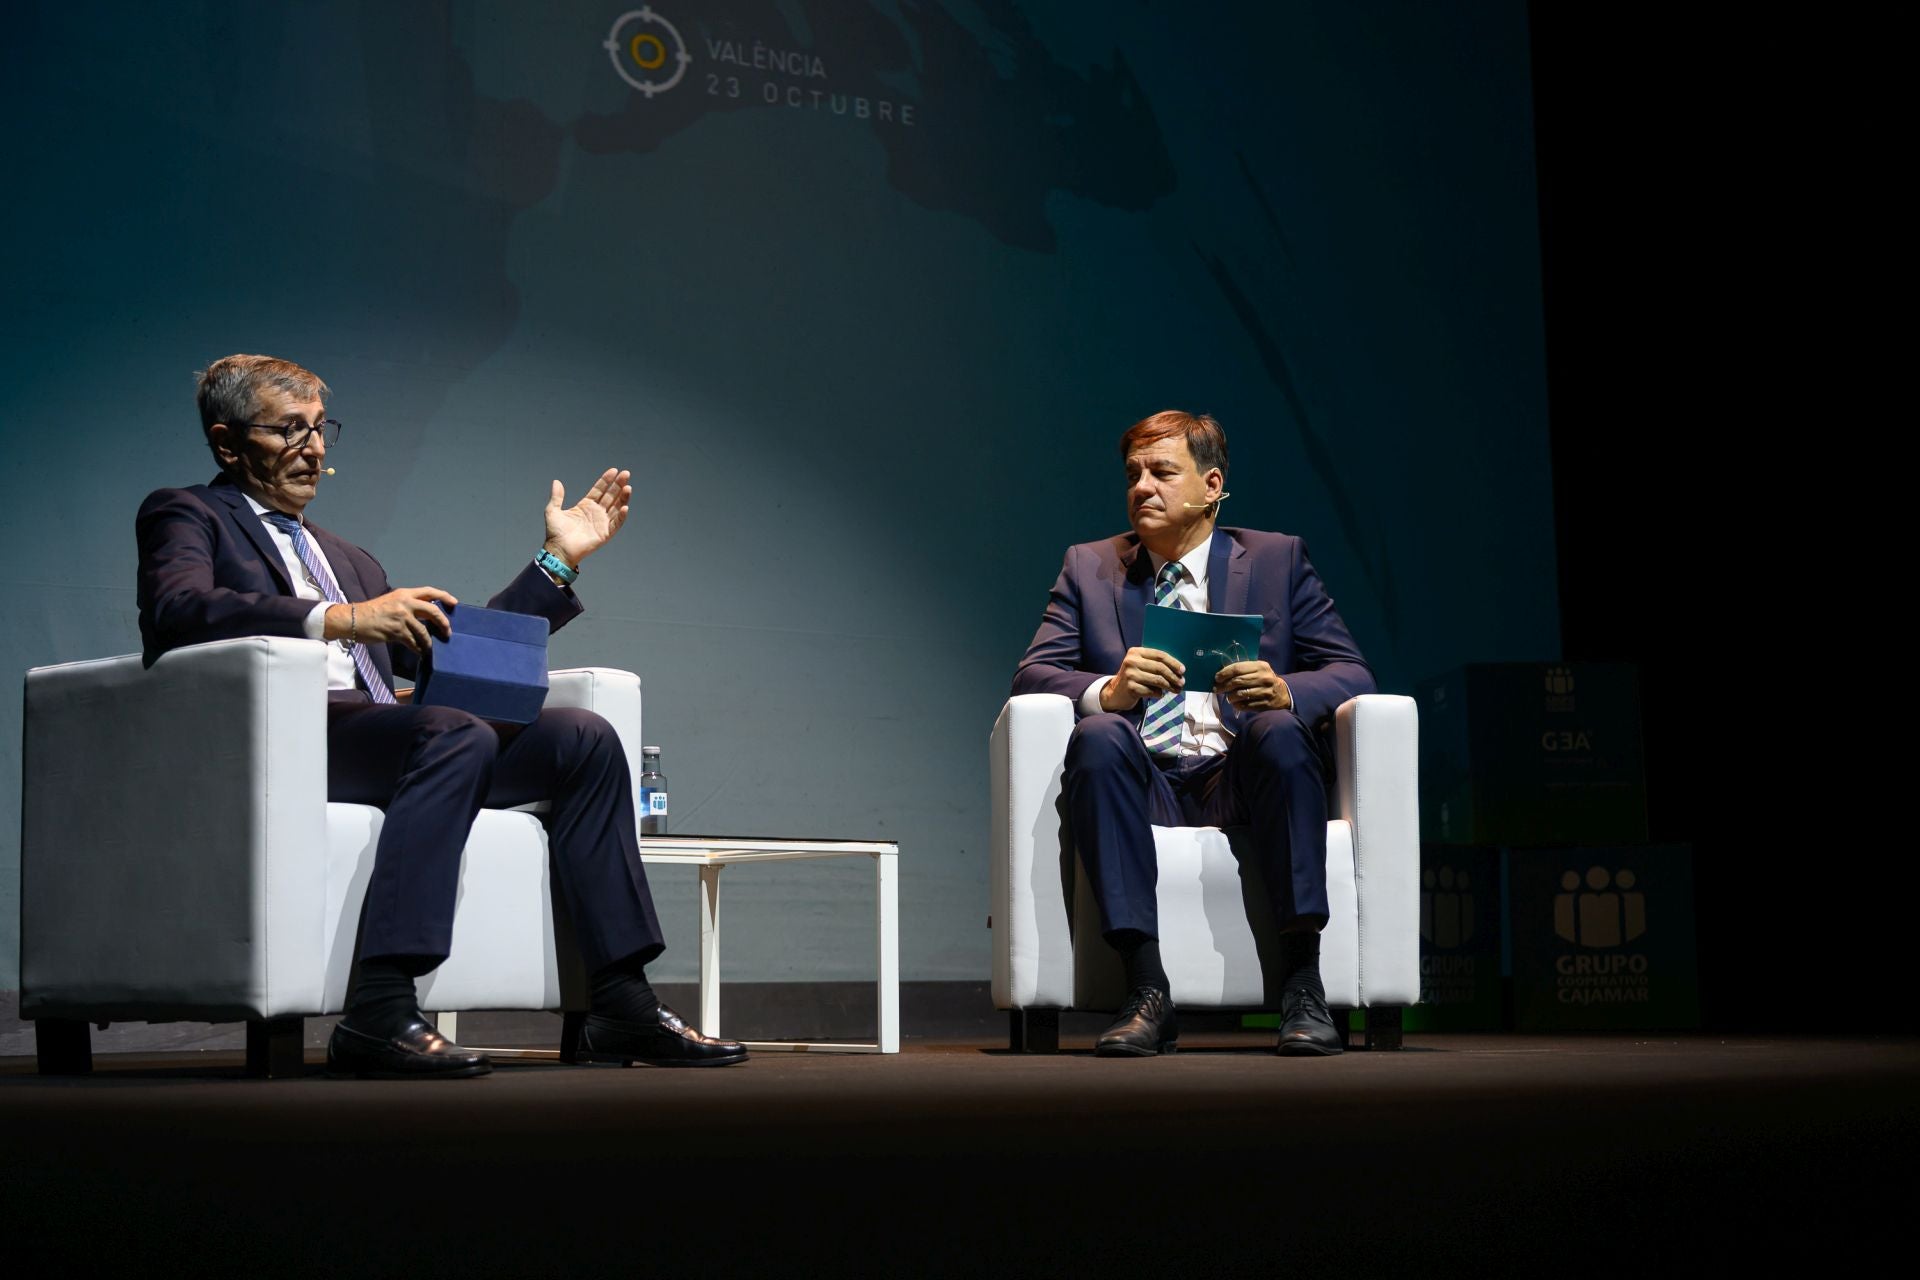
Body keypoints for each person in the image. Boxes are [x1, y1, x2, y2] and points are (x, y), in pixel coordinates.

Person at [137, 354, 745, 1077]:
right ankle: (381, 1008)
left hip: (394, 740)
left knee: (582, 738)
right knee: (451, 731)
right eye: (287, 430)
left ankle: (619, 1004)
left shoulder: (347, 558)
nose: (314, 447)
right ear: (229, 443)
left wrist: (556, 563)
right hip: (286, 739)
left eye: (320, 429)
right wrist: (339, 619)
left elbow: (457, 657)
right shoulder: (190, 512)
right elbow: (177, 613)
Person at [1011, 410, 1375, 1056]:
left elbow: (1352, 673)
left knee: (1281, 730)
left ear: (1211, 486)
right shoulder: (1088, 566)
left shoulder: (1276, 559)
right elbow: (1034, 675)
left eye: (1161, 472)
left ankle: (1302, 986)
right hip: (1144, 777)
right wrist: (1108, 692)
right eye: (1133, 475)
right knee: (1098, 738)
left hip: (1239, 775)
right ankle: (1146, 991)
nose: (1141, 488)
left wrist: (1288, 689)